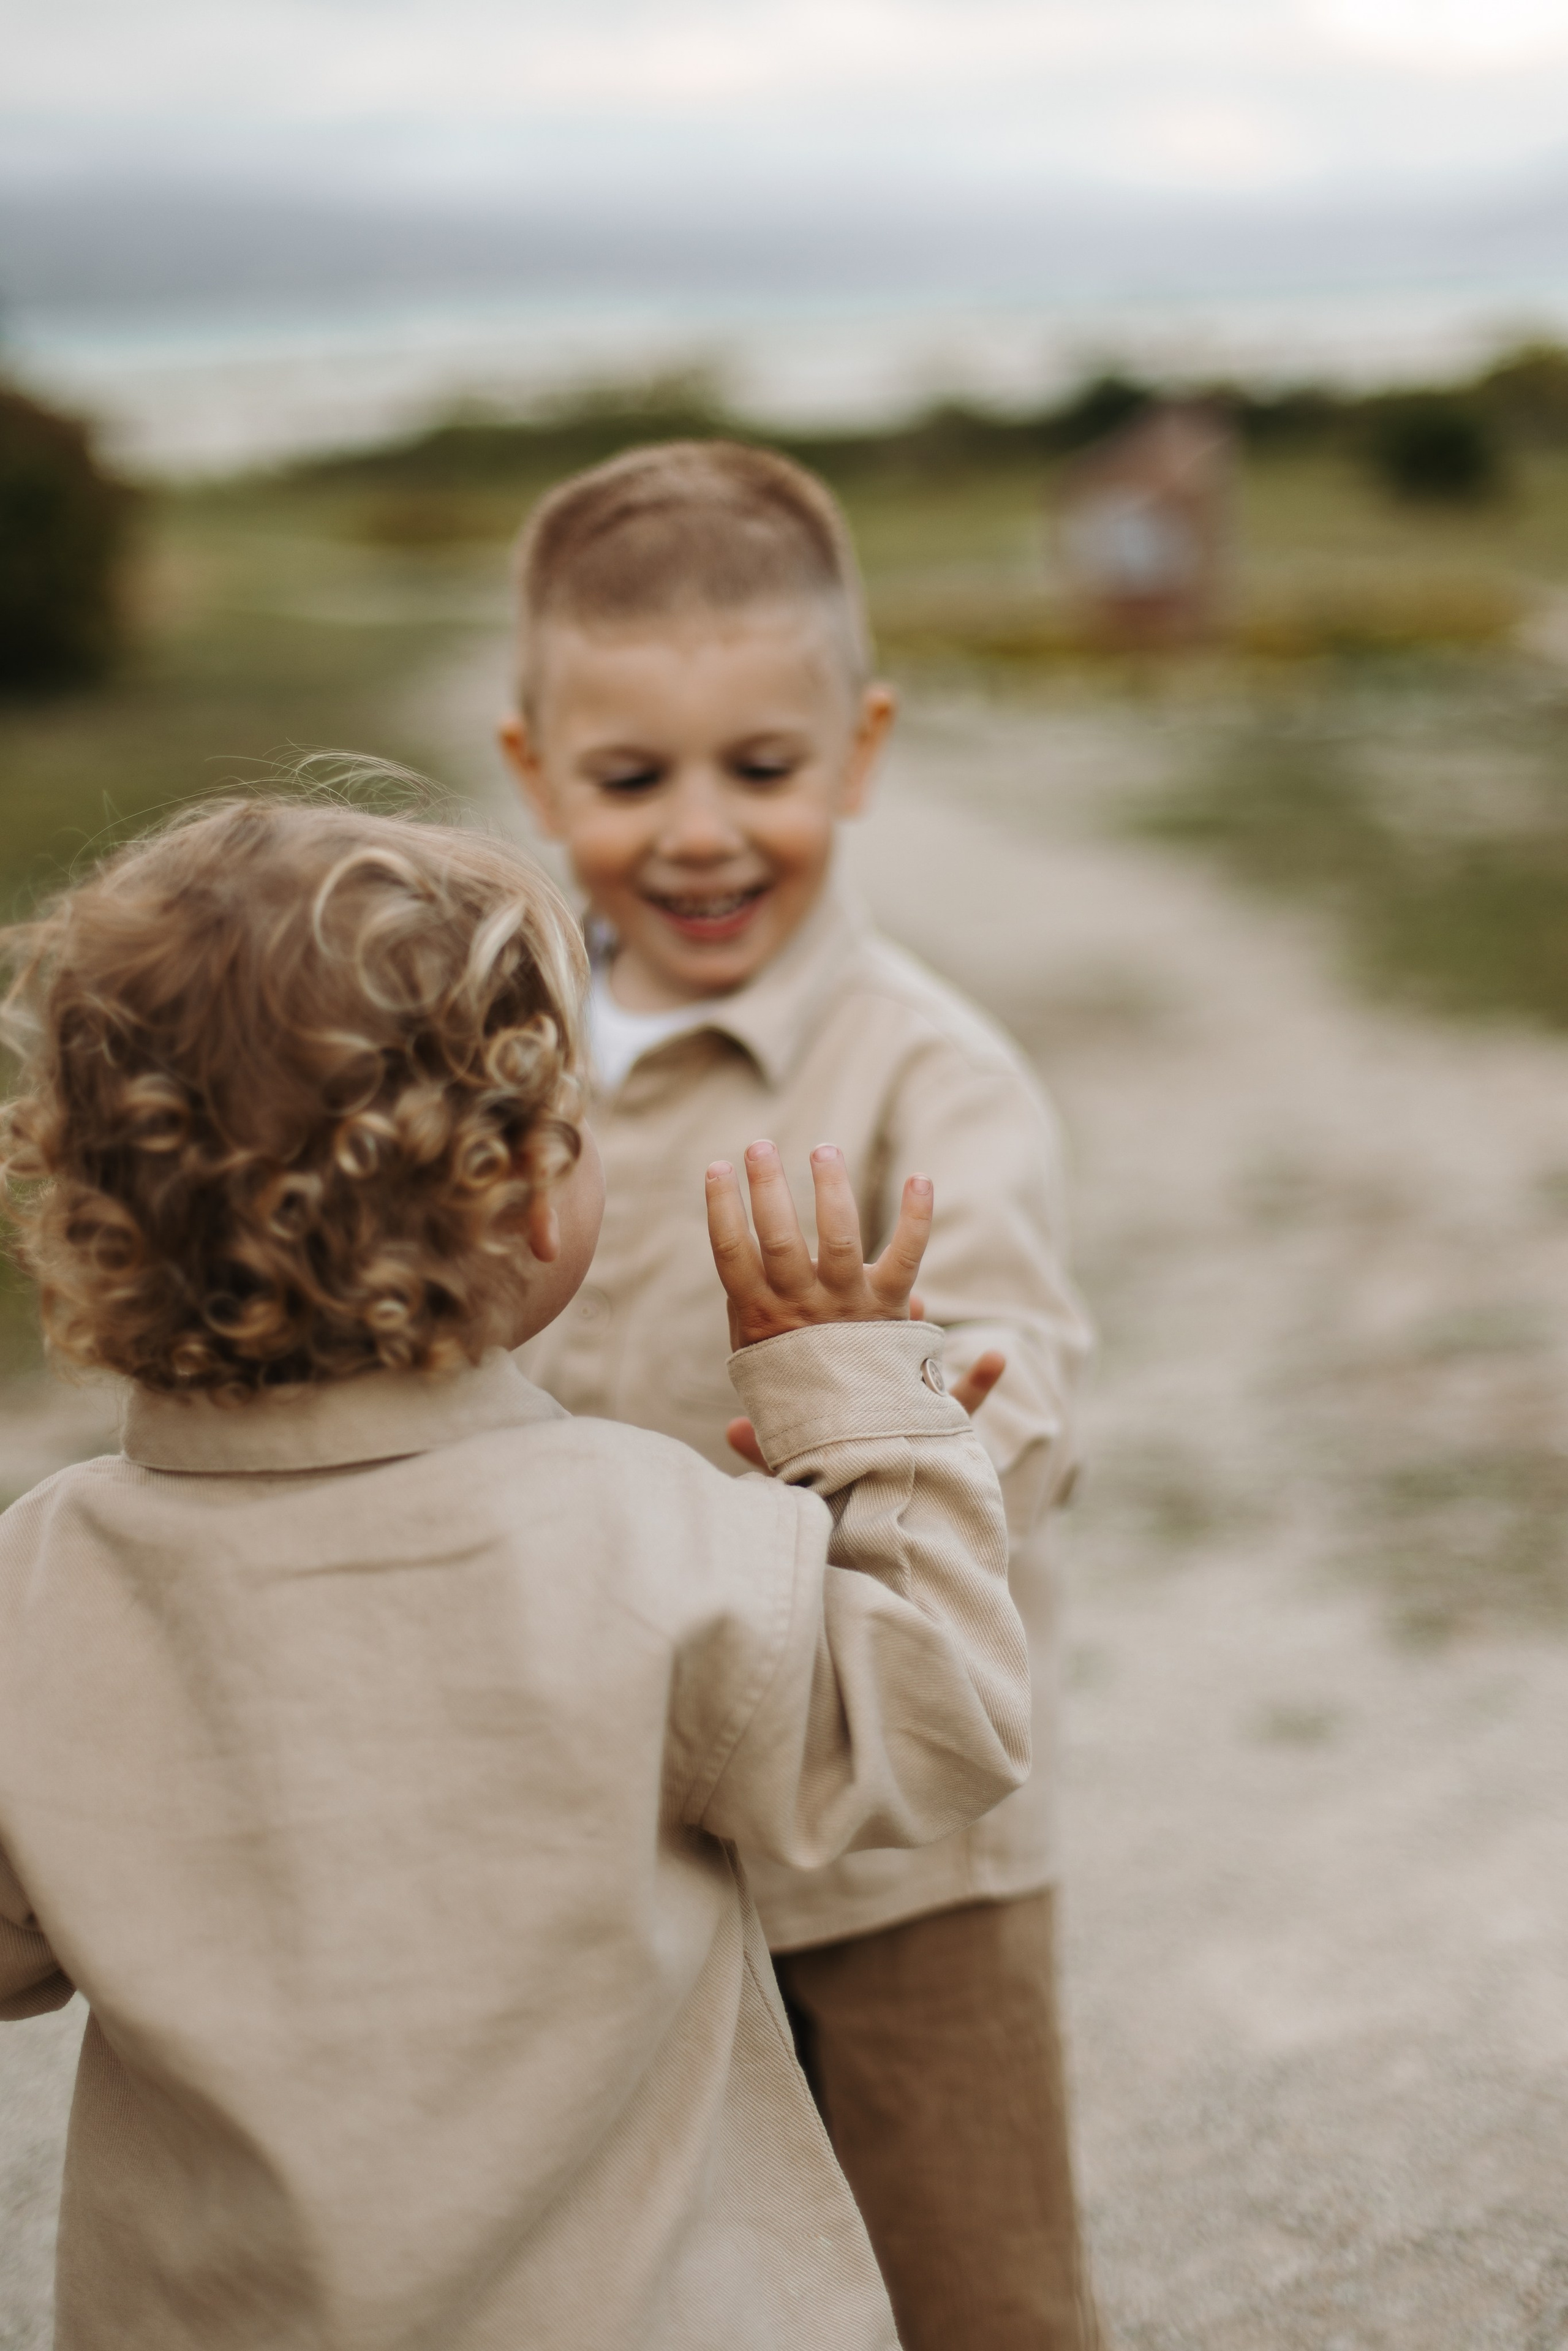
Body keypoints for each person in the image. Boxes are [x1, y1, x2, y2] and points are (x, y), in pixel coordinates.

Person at [0, 795, 1031, 2351]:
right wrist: (862, 1416)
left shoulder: (42, 1579)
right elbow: (934, 1726)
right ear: (522, 1191)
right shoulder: (648, 1538)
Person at [500, 439, 1101, 2351]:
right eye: (628, 776)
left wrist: (882, 1422)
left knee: (971, 2275)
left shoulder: (932, 1072)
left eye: (761, 770)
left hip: (896, 1819)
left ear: (857, 751)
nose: (698, 831)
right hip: (596, 1811)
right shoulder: (501, 1053)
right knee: (631, 2275)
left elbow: (1023, 1381)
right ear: (531, 769)